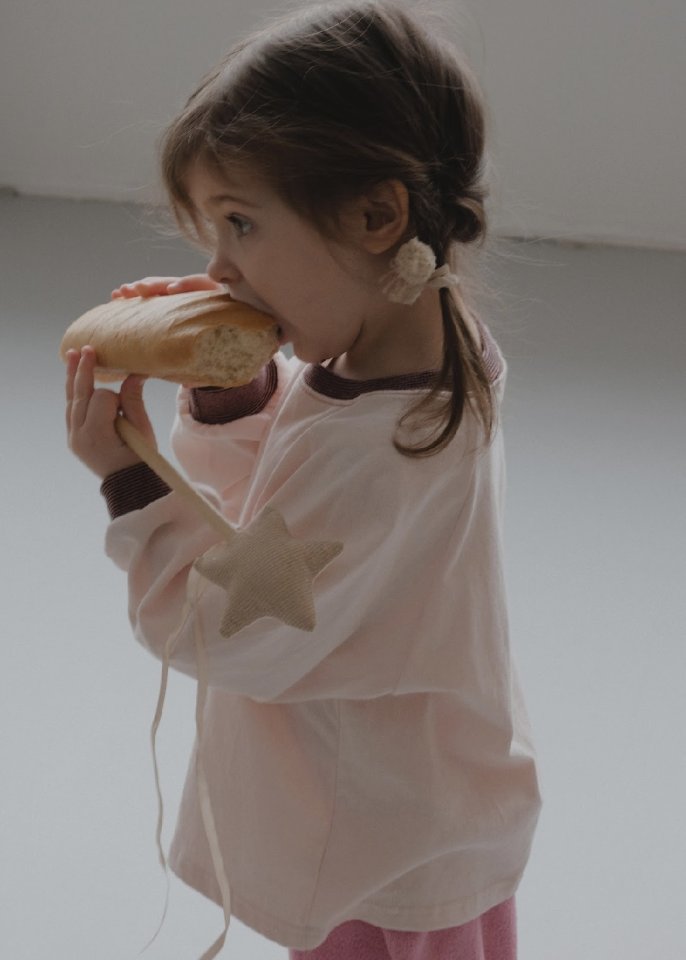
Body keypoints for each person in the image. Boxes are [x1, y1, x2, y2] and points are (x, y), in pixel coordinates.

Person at [65, 1, 542, 957]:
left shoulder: (385, 448)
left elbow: (238, 627)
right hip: (413, 802)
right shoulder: (424, 352)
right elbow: (295, 513)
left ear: (376, 216)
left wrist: (132, 484)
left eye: (241, 224)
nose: (218, 269)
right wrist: (236, 393)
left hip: (374, 838)